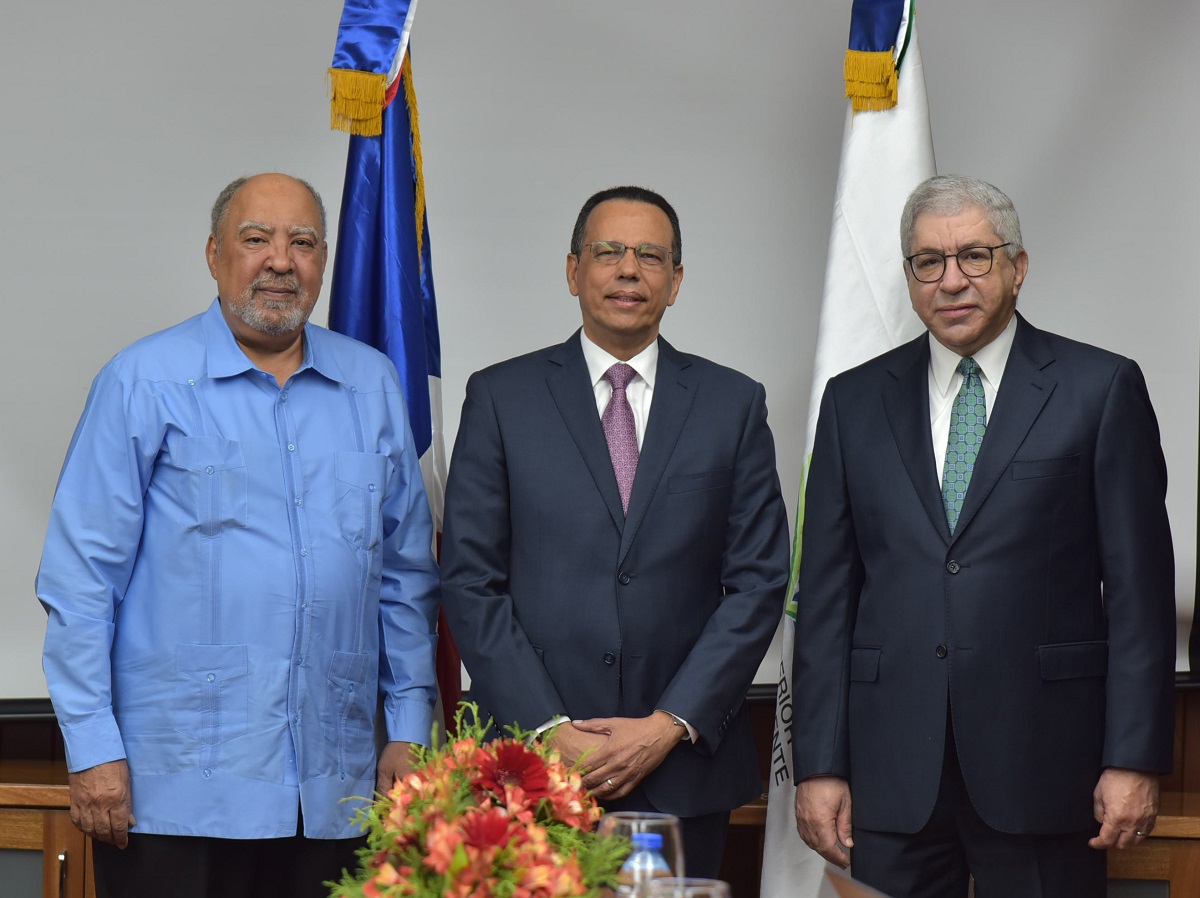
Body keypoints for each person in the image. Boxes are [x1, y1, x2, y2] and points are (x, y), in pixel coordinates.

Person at [36, 173, 440, 898]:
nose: (281, 260)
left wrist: (410, 726)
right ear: (215, 254)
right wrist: (92, 750)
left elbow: (407, 578)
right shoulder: (142, 382)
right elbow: (80, 582)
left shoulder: (373, 386)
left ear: (323, 262)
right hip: (173, 795)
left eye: (303, 243)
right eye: (256, 240)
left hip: (334, 795)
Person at [791, 174, 1176, 897]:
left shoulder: (1099, 389)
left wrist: (1134, 758)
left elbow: (1139, 596)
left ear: (1017, 267)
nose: (952, 279)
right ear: (909, 277)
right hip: (891, 774)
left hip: (1045, 764)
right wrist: (819, 763)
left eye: (975, 255)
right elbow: (827, 603)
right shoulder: (852, 401)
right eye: (928, 262)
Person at [439, 186, 790, 877]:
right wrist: (549, 730)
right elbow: (470, 580)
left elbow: (758, 582)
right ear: (573, 271)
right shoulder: (501, 398)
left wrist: (668, 726)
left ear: (676, 281)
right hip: (533, 767)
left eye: (650, 256)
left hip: (685, 768)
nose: (629, 270)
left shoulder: (732, 404)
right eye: (608, 252)